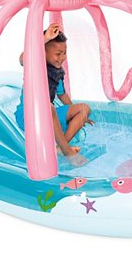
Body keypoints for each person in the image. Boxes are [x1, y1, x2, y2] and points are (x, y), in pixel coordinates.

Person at [15, 23, 93, 166]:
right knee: (48, 106)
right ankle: (68, 152)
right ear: (43, 52)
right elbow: (22, 59)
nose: (62, 58)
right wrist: (44, 39)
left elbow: (62, 95)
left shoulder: (57, 72)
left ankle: (60, 147)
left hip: (47, 114)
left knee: (84, 108)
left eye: (64, 53)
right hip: (28, 116)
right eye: (58, 54)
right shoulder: (34, 64)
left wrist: (79, 115)